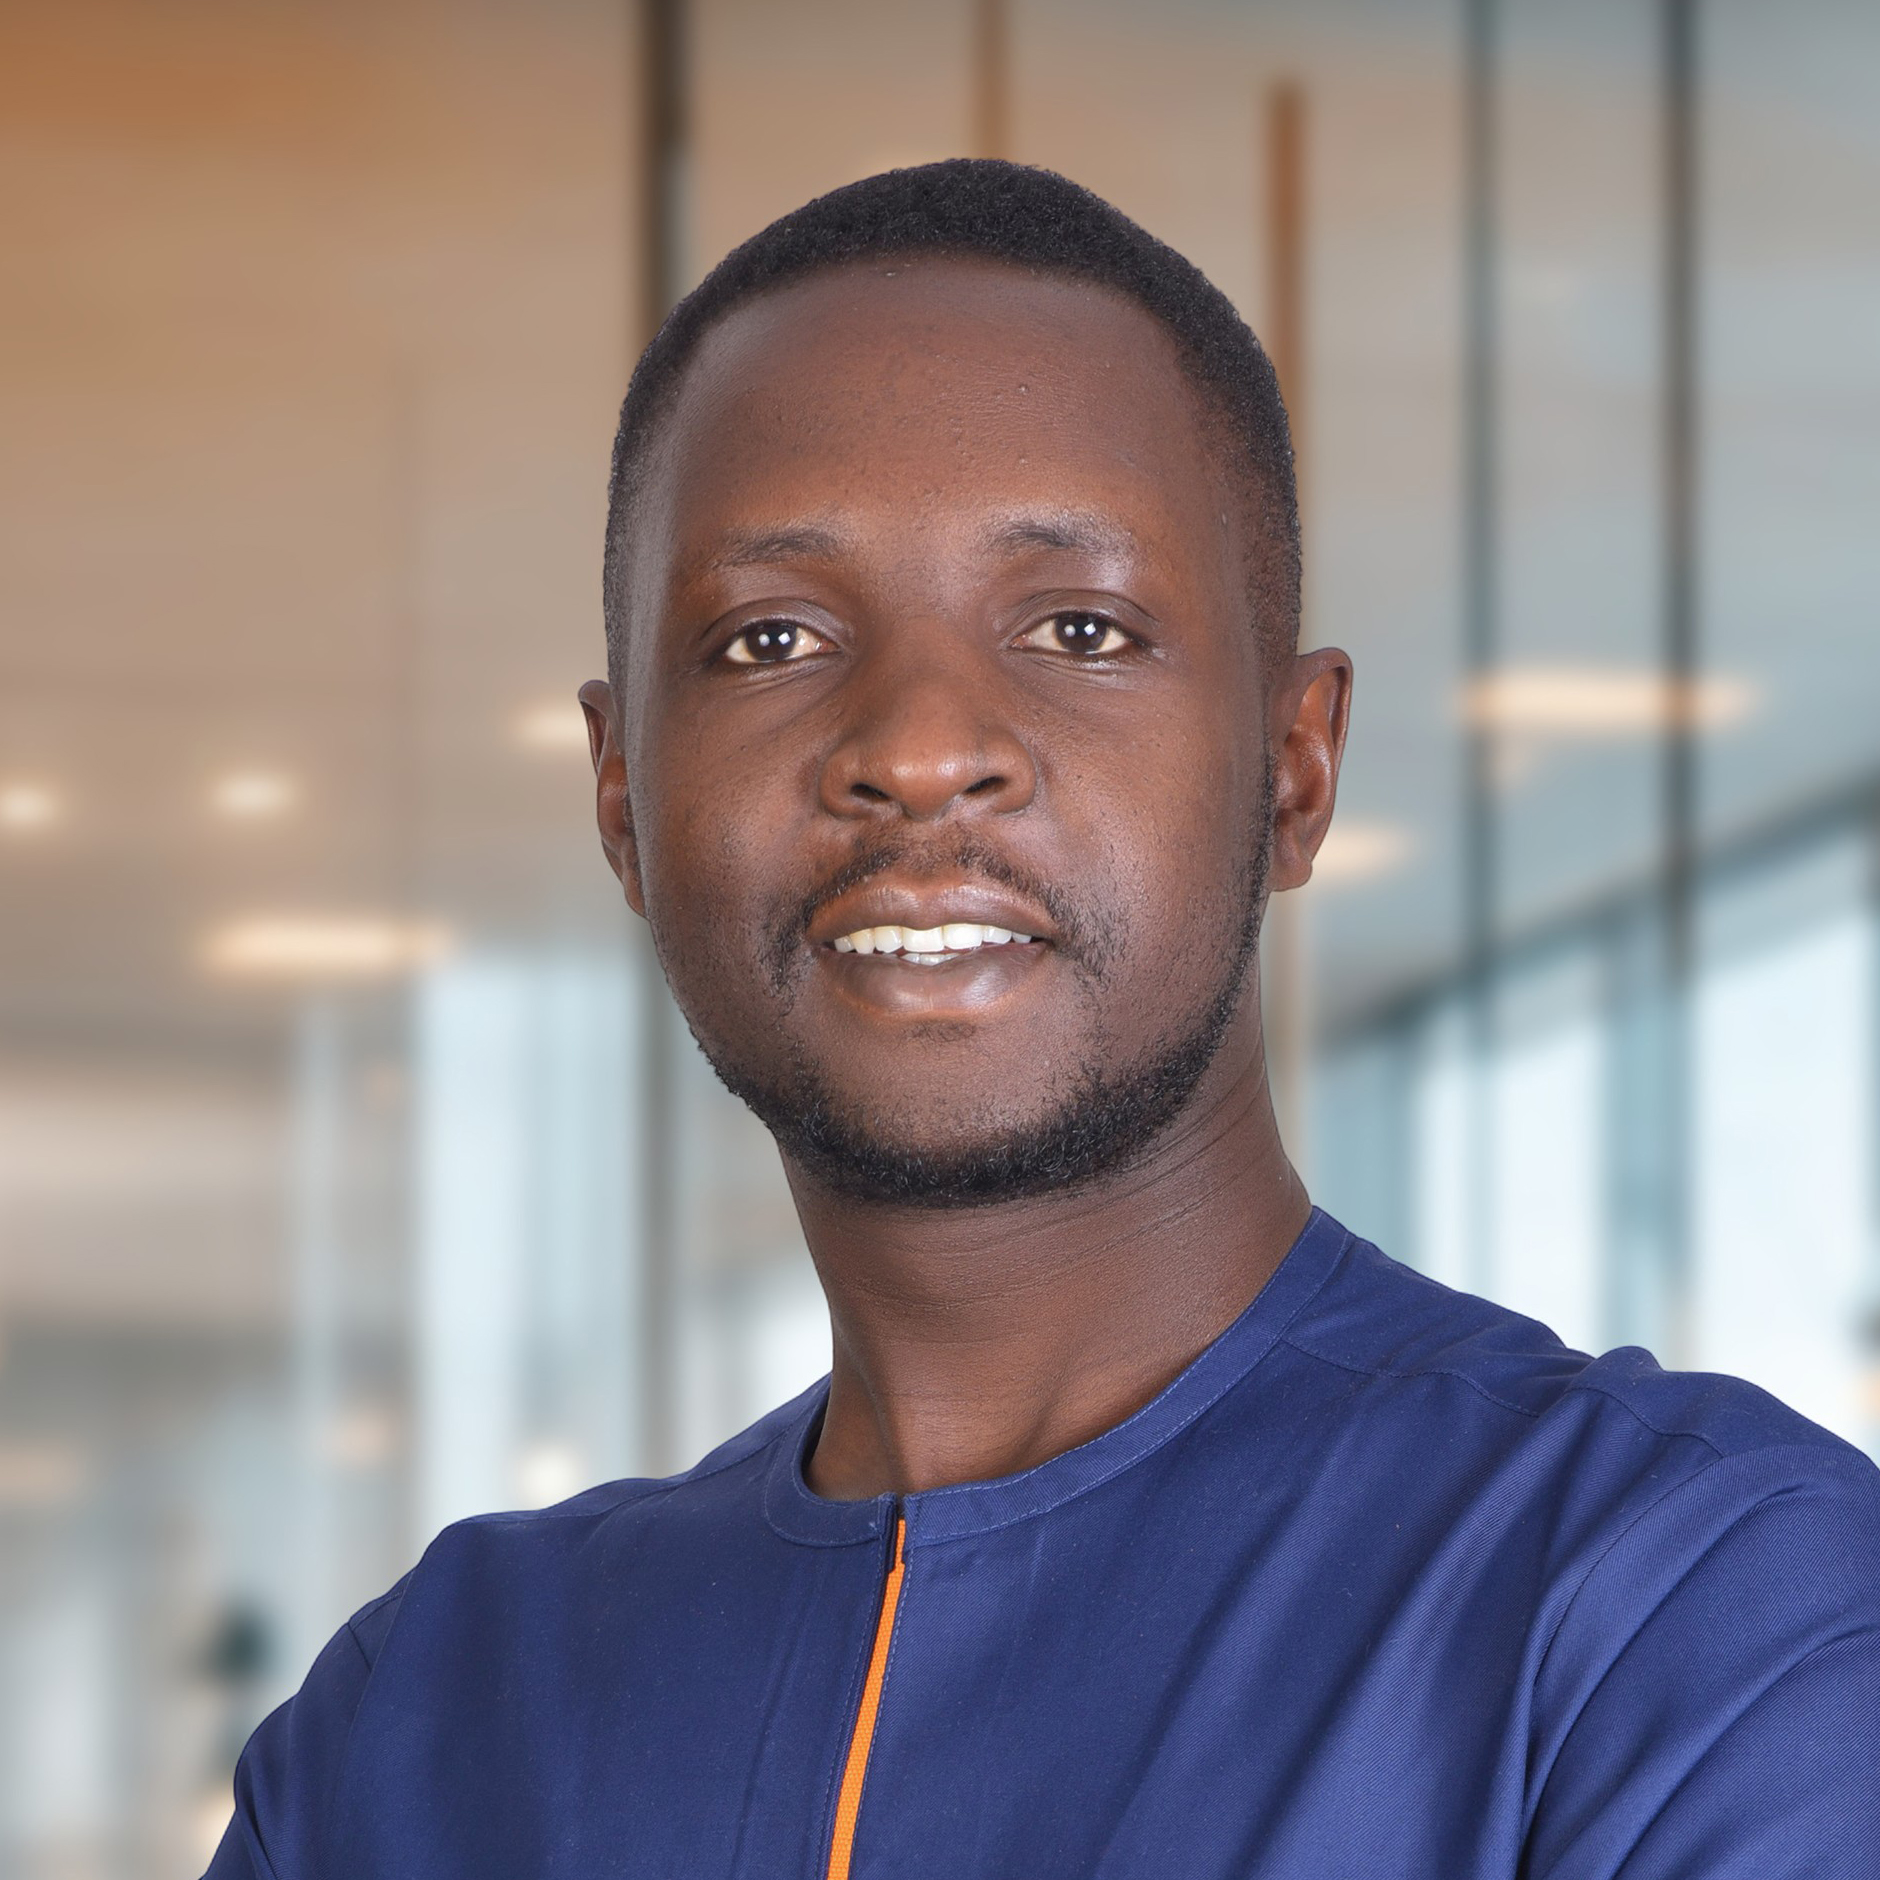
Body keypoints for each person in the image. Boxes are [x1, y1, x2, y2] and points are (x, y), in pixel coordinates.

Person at [207, 161, 1880, 1879]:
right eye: (771, 638)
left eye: (1080, 627)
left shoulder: (1693, 1612)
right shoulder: (416, 1724)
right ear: (623, 798)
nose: (920, 749)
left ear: (1295, 770)